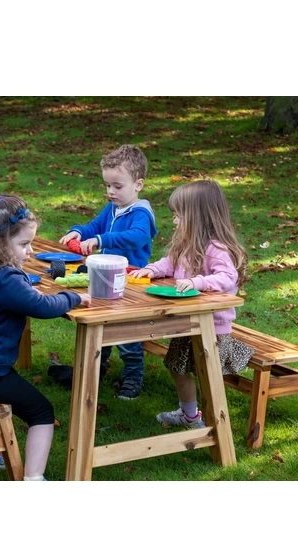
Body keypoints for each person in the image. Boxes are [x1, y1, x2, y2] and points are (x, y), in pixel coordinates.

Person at [0, 193, 91, 479]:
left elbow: (8, 297)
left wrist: (24, 289)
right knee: (42, 412)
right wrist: (73, 298)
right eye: (24, 244)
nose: (30, 251)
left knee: (1, 396)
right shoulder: (5, 279)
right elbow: (41, 306)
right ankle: (34, 479)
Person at [129, 180, 254, 428]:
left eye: (178, 216)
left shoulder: (217, 249)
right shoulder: (186, 244)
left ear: (197, 217)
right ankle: (189, 415)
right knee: (177, 367)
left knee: (208, 374)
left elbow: (227, 277)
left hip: (212, 327)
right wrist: (152, 270)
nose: (174, 222)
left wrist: (198, 282)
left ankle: (215, 423)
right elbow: (169, 263)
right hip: (186, 324)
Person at [59, 144, 158, 400]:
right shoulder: (113, 208)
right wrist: (79, 231)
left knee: (127, 334)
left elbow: (137, 237)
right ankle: (97, 368)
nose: (111, 191)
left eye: (117, 186)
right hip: (105, 275)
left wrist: (102, 240)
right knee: (100, 324)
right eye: (107, 185)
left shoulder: (141, 213)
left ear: (138, 184)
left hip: (130, 280)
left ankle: (133, 378)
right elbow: (94, 226)